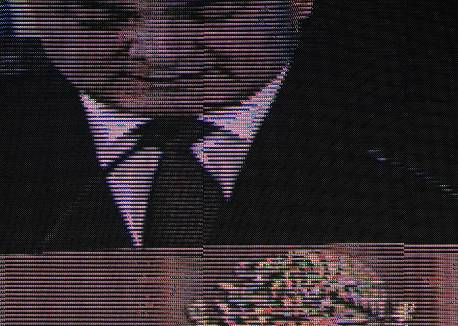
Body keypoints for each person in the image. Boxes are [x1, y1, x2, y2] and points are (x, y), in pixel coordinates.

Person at [0, 0, 455, 253]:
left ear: (300, 3)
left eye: (210, 13)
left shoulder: (426, 144)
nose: (162, 53)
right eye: (101, 16)